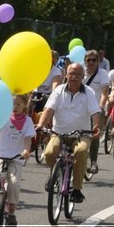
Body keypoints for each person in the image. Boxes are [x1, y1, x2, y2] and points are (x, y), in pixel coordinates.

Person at [39, 62, 100, 205]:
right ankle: (54, 176)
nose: (74, 77)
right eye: (71, 74)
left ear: (83, 76)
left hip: (81, 134)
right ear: (66, 74)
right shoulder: (59, 91)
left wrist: (96, 126)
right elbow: (49, 109)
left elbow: (96, 112)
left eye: (78, 74)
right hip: (59, 132)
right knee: (49, 153)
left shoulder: (88, 92)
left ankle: (77, 189)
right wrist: (41, 124)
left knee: (81, 151)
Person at [0, 93, 35, 226]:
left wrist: (26, 151)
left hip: (16, 157)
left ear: (24, 106)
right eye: (12, 104)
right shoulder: (3, 117)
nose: (15, 107)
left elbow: (28, 139)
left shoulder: (28, 121)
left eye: (18, 104)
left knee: (14, 183)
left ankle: (11, 213)